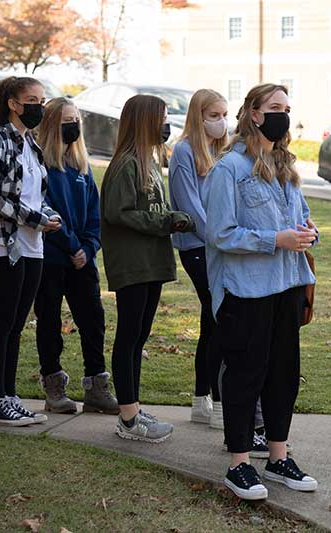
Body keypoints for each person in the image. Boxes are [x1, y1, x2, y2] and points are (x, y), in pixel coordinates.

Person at [205, 83, 318, 500]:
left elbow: (303, 217)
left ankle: (278, 457)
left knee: (283, 374)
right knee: (245, 375)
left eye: (287, 108)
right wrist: (276, 239)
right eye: (274, 108)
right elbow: (220, 234)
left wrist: (308, 233)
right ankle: (239, 464)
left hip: (287, 285)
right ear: (253, 113)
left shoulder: (285, 164)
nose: (282, 115)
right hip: (246, 291)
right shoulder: (228, 169)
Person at [99, 94, 195, 442]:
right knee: (128, 336)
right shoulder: (125, 164)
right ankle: (128, 419)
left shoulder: (150, 163)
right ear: (144, 121)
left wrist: (169, 220)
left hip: (152, 262)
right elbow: (118, 213)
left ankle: (133, 408)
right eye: (162, 117)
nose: (166, 124)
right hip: (132, 264)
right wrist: (168, 220)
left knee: (139, 338)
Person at [0, 76, 62, 426]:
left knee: (17, 325)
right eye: (31, 99)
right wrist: (35, 218)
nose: (38, 105)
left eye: (42, 98)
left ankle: (9, 397)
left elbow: (34, 194)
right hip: (2, 243)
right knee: (2, 322)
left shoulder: (31, 143)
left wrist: (48, 215)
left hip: (33, 244)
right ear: (12, 103)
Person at [33, 97, 118, 415]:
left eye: (76, 119)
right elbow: (47, 210)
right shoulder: (43, 165)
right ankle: (54, 386)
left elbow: (95, 215)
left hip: (84, 260)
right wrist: (72, 247)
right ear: (52, 124)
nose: (74, 125)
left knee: (93, 320)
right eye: (67, 120)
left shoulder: (82, 167)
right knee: (49, 321)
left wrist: (88, 246)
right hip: (52, 259)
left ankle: (96, 386)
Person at [168, 89, 229, 425]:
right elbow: (188, 206)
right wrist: (220, 239)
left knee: (212, 320)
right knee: (219, 317)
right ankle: (218, 402)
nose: (220, 122)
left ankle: (200, 396)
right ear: (199, 116)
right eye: (214, 116)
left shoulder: (220, 150)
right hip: (197, 247)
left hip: (218, 246)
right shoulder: (183, 151)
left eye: (224, 115)